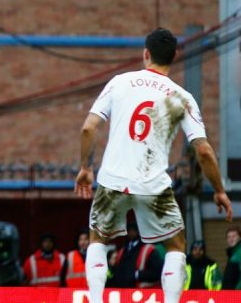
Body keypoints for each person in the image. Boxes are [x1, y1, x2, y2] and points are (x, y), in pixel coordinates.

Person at [75, 28, 233, 303]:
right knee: (176, 245)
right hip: (153, 185)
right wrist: (219, 189)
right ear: (174, 56)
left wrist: (85, 168)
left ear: (145, 54)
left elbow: (88, 128)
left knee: (98, 239)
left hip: (113, 181)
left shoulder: (119, 82)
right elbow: (204, 151)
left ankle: (97, 300)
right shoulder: (182, 98)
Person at [110, 223, 161, 288]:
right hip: (121, 289)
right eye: (129, 231)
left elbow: (157, 272)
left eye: (134, 230)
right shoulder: (123, 250)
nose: (131, 233)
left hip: (140, 291)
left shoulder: (148, 249)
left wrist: (136, 274)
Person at [224, 225, 241, 290]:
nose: (231, 239)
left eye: (234, 236)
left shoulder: (238, 254)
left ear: (239, 238)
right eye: (229, 237)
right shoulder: (233, 253)